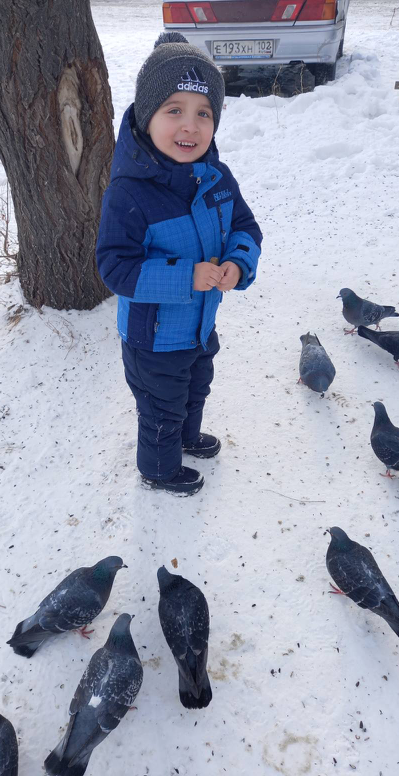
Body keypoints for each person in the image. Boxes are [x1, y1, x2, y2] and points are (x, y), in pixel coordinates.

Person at [96, 32, 262, 496]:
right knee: (160, 406)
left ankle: (187, 438)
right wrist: (187, 277)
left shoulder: (217, 178)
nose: (190, 126)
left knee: (196, 387)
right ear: (147, 116)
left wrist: (237, 262)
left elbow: (246, 227)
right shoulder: (129, 193)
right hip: (153, 338)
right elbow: (116, 267)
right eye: (174, 110)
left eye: (203, 113)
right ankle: (159, 469)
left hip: (200, 326)